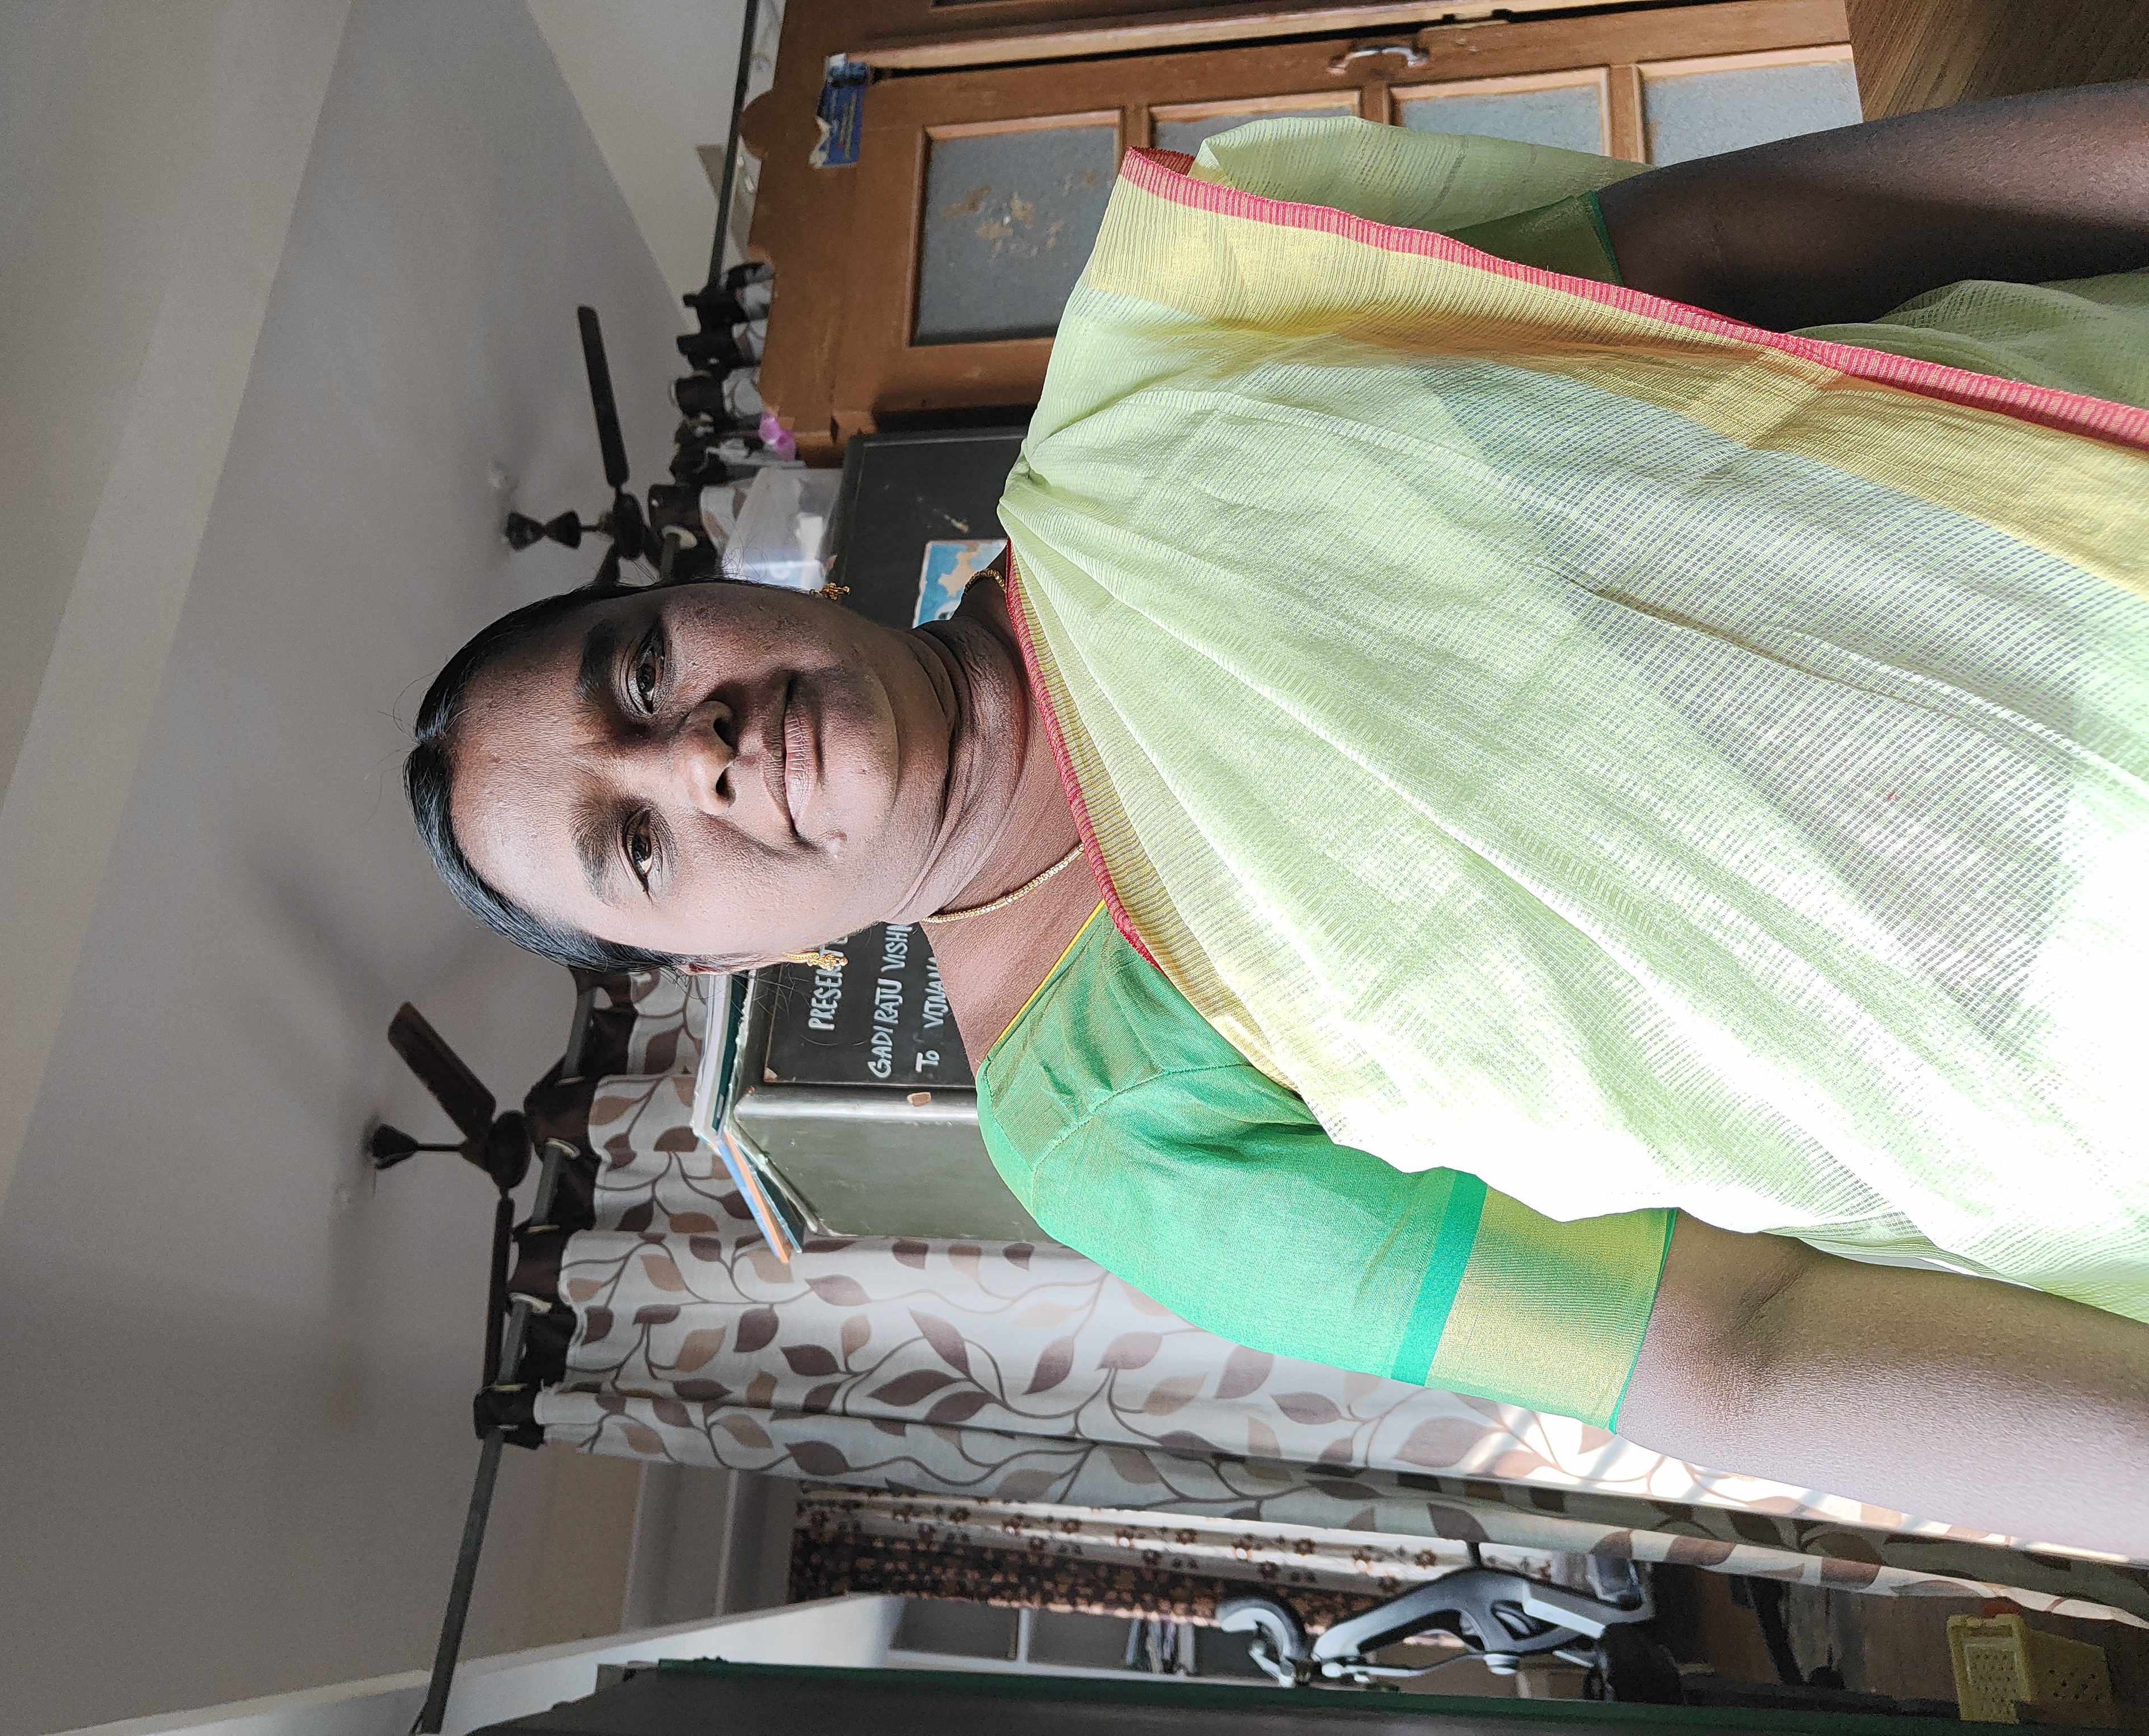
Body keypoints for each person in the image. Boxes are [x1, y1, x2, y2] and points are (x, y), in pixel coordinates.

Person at [408, 88, 2149, 1554]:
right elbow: (1734, 1345)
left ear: (715, 592)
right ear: (729, 966)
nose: (695, 756)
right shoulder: (1114, 1138)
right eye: (638, 847)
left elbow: (1726, 238)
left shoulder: (1175, 349)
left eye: (641, 672)